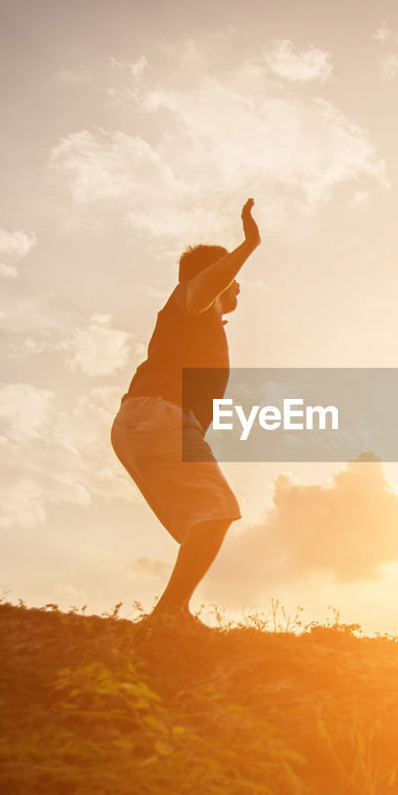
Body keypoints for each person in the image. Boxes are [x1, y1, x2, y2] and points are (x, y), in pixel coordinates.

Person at [111, 198, 261, 627]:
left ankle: (172, 613)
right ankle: (168, 614)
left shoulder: (199, 322)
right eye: (232, 281)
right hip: (157, 415)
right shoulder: (189, 300)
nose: (237, 288)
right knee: (216, 509)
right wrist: (248, 244)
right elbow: (203, 288)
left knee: (205, 519)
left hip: (149, 420)